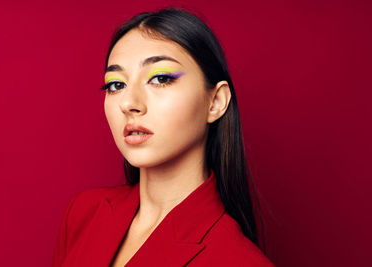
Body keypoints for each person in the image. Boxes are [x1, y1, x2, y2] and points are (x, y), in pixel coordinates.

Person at [52, 7, 275, 267]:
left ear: (215, 102)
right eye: (116, 84)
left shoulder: (238, 261)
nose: (129, 103)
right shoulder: (84, 213)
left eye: (160, 78)